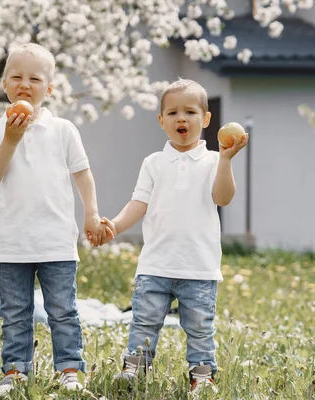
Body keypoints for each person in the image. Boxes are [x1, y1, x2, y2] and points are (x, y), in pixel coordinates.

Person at [0, 42, 113, 397]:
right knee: (16, 313)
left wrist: (92, 214)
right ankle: (15, 371)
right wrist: (11, 138)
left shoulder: (63, 129)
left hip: (55, 239)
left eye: (34, 78)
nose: (25, 83)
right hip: (9, 241)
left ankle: (69, 368)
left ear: (49, 89)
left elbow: (82, 174)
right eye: (16, 77)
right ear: (4, 84)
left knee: (63, 311)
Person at [98, 79, 248, 394]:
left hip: (199, 267)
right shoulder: (153, 163)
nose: (182, 118)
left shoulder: (212, 161)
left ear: (206, 119)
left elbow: (223, 197)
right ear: (161, 121)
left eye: (190, 112)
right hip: (155, 265)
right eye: (173, 112)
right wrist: (115, 225)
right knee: (143, 323)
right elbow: (139, 203)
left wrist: (226, 160)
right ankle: (134, 371)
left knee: (200, 328)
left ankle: (202, 376)